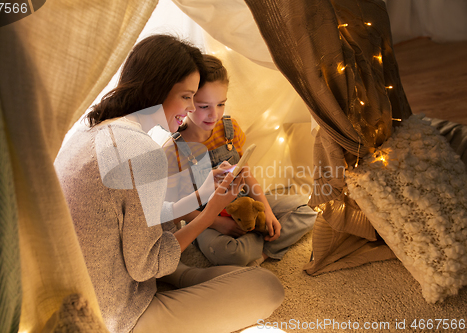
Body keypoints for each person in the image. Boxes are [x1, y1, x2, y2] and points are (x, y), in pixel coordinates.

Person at [54, 35, 284, 333]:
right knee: (267, 287)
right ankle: (176, 279)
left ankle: (178, 276)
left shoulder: (94, 127)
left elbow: (139, 216)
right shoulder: (139, 150)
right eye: (187, 96)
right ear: (159, 88)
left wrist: (202, 194)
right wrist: (210, 212)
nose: (191, 109)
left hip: (94, 290)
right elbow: (148, 264)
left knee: (221, 270)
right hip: (119, 316)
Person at [164, 54, 317, 267]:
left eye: (220, 104)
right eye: (203, 106)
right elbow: (176, 208)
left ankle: (261, 252)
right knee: (228, 253)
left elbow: (245, 173)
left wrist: (267, 210)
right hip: (207, 220)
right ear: (188, 101)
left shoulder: (229, 129)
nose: (214, 114)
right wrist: (217, 223)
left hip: (246, 203)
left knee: (307, 209)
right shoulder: (173, 150)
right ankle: (253, 242)